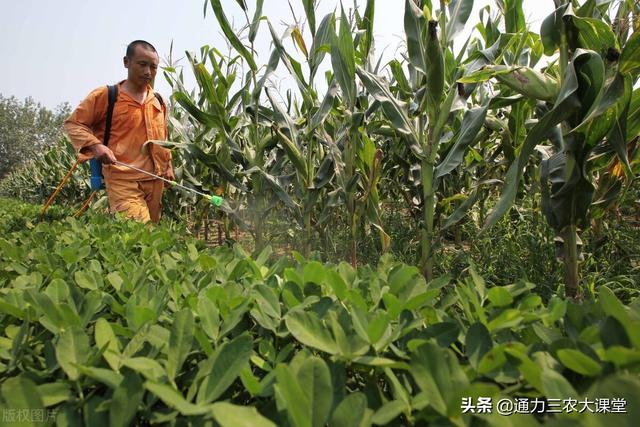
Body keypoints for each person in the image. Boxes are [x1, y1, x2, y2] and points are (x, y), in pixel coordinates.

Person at [64, 40, 174, 223]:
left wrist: (168, 165)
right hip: (123, 180)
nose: (148, 72)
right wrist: (96, 146)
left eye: (153, 67)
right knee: (140, 233)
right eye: (142, 64)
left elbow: (163, 137)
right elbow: (74, 124)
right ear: (126, 62)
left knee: (153, 238)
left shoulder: (159, 101)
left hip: (155, 180)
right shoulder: (107, 96)